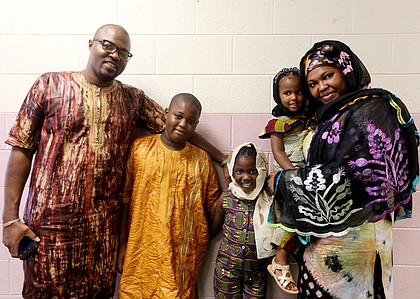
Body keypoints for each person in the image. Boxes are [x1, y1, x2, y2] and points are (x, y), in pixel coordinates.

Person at [1, 24, 227, 298]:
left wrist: (221, 157)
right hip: (50, 227)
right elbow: (21, 149)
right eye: (107, 45)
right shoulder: (49, 85)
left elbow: (176, 128)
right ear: (90, 44)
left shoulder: (132, 99)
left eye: (123, 52)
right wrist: (10, 220)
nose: (114, 55)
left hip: (103, 232)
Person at [268, 40, 419, 298]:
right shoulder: (328, 117)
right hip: (325, 244)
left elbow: (352, 175)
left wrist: (286, 181)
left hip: (357, 248)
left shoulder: (371, 110)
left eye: (328, 76)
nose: (321, 88)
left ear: (346, 71)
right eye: (312, 84)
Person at [117, 93, 221, 298]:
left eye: (191, 121)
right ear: (166, 113)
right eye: (178, 116)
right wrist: (122, 244)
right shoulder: (140, 149)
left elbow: (214, 205)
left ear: (196, 125)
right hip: (141, 250)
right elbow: (125, 200)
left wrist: (202, 241)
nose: (183, 124)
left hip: (182, 258)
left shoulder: (201, 160)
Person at [259, 67, 309, 295]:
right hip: (288, 177)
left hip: (305, 178)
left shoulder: (309, 118)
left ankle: (288, 257)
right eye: (287, 93)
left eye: (298, 91)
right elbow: (278, 152)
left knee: (305, 219)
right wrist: (292, 174)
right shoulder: (277, 123)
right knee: (292, 217)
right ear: (278, 95)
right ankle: (280, 260)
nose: (294, 97)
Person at [211, 142, 277, 299]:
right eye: (239, 171)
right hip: (226, 270)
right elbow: (212, 230)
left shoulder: (270, 198)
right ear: (232, 172)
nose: (246, 177)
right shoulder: (225, 199)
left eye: (253, 171)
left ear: (261, 171)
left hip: (257, 273)